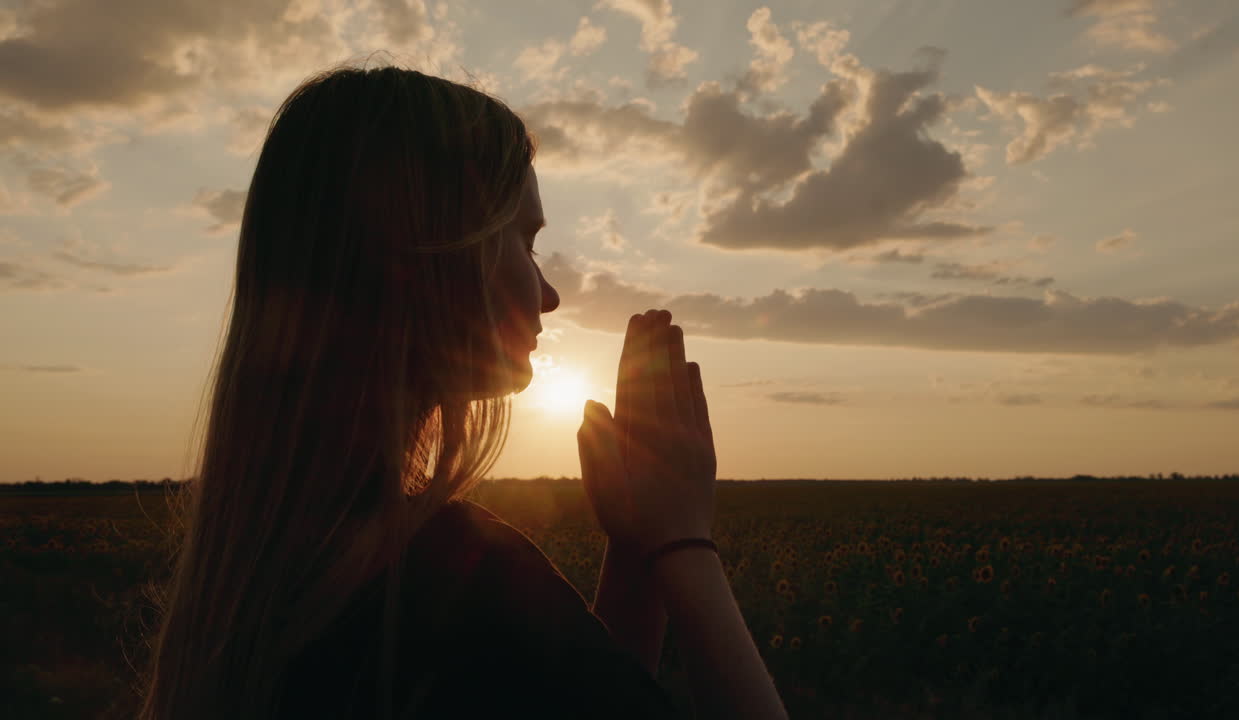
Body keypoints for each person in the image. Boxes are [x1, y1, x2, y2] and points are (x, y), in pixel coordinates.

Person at [134, 62, 789, 720]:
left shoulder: (264, 579)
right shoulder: (456, 577)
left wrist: (632, 549)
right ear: (433, 255)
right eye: (525, 243)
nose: (550, 295)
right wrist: (684, 542)